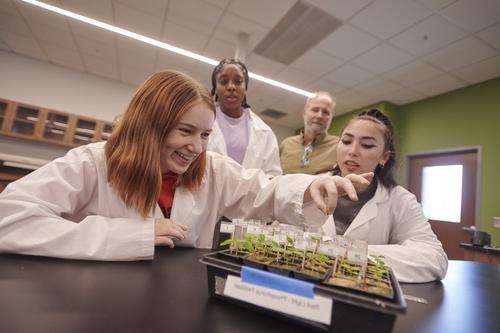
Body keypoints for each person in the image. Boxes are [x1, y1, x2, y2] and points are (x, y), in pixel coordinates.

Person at [0, 70, 370, 261]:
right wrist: (129, 234)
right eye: (185, 131)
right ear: (149, 125)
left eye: (206, 135)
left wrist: (309, 187)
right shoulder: (93, 163)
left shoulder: (210, 169)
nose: (197, 147)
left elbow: (263, 189)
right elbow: (10, 220)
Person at [322, 109, 448, 283]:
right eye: (346, 141)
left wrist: (351, 253)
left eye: (366, 145)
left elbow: (434, 259)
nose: (352, 151)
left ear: (384, 157)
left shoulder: (400, 200)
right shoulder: (309, 186)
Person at [209, 58, 282, 177]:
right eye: (224, 81)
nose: (231, 87)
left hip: (251, 195)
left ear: (245, 88)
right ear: (215, 88)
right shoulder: (203, 124)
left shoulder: (264, 132)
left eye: (238, 82)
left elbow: (273, 175)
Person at [280, 91, 338, 175]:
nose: (319, 116)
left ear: (331, 117)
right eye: (315, 110)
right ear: (304, 113)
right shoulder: (286, 144)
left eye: (325, 112)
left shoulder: (338, 146)